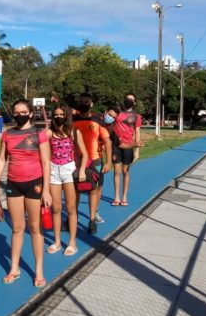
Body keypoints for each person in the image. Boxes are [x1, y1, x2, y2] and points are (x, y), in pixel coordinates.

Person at [0, 99, 52, 288]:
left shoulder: (39, 134)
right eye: (16, 112)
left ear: (31, 114)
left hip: (35, 184)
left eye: (23, 112)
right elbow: (2, 160)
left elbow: (46, 163)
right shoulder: (8, 134)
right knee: (17, 228)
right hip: (13, 185)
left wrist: (46, 191)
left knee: (35, 228)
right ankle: (14, 268)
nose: (19, 115)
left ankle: (39, 271)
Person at [45, 103, 88, 256]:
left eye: (61, 114)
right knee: (56, 209)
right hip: (54, 171)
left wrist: (82, 170)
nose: (58, 117)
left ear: (67, 116)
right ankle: (57, 241)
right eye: (56, 115)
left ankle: (72, 242)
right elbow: (44, 155)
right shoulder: (49, 133)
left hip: (69, 171)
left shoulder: (74, 132)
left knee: (70, 209)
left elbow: (85, 154)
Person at [72, 93, 112, 234]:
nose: (84, 103)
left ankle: (92, 219)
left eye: (86, 101)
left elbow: (107, 141)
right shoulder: (72, 121)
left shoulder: (98, 121)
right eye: (81, 101)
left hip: (95, 161)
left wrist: (108, 161)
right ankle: (73, 217)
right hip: (76, 161)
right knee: (75, 190)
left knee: (93, 190)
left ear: (91, 104)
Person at [112, 93, 143, 206]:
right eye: (127, 98)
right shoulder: (118, 112)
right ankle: (116, 197)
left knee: (125, 171)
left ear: (134, 102)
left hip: (128, 146)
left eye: (131, 99)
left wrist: (137, 151)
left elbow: (137, 132)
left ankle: (124, 197)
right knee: (116, 171)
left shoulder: (137, 116)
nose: (128, 100)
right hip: (116, 146)